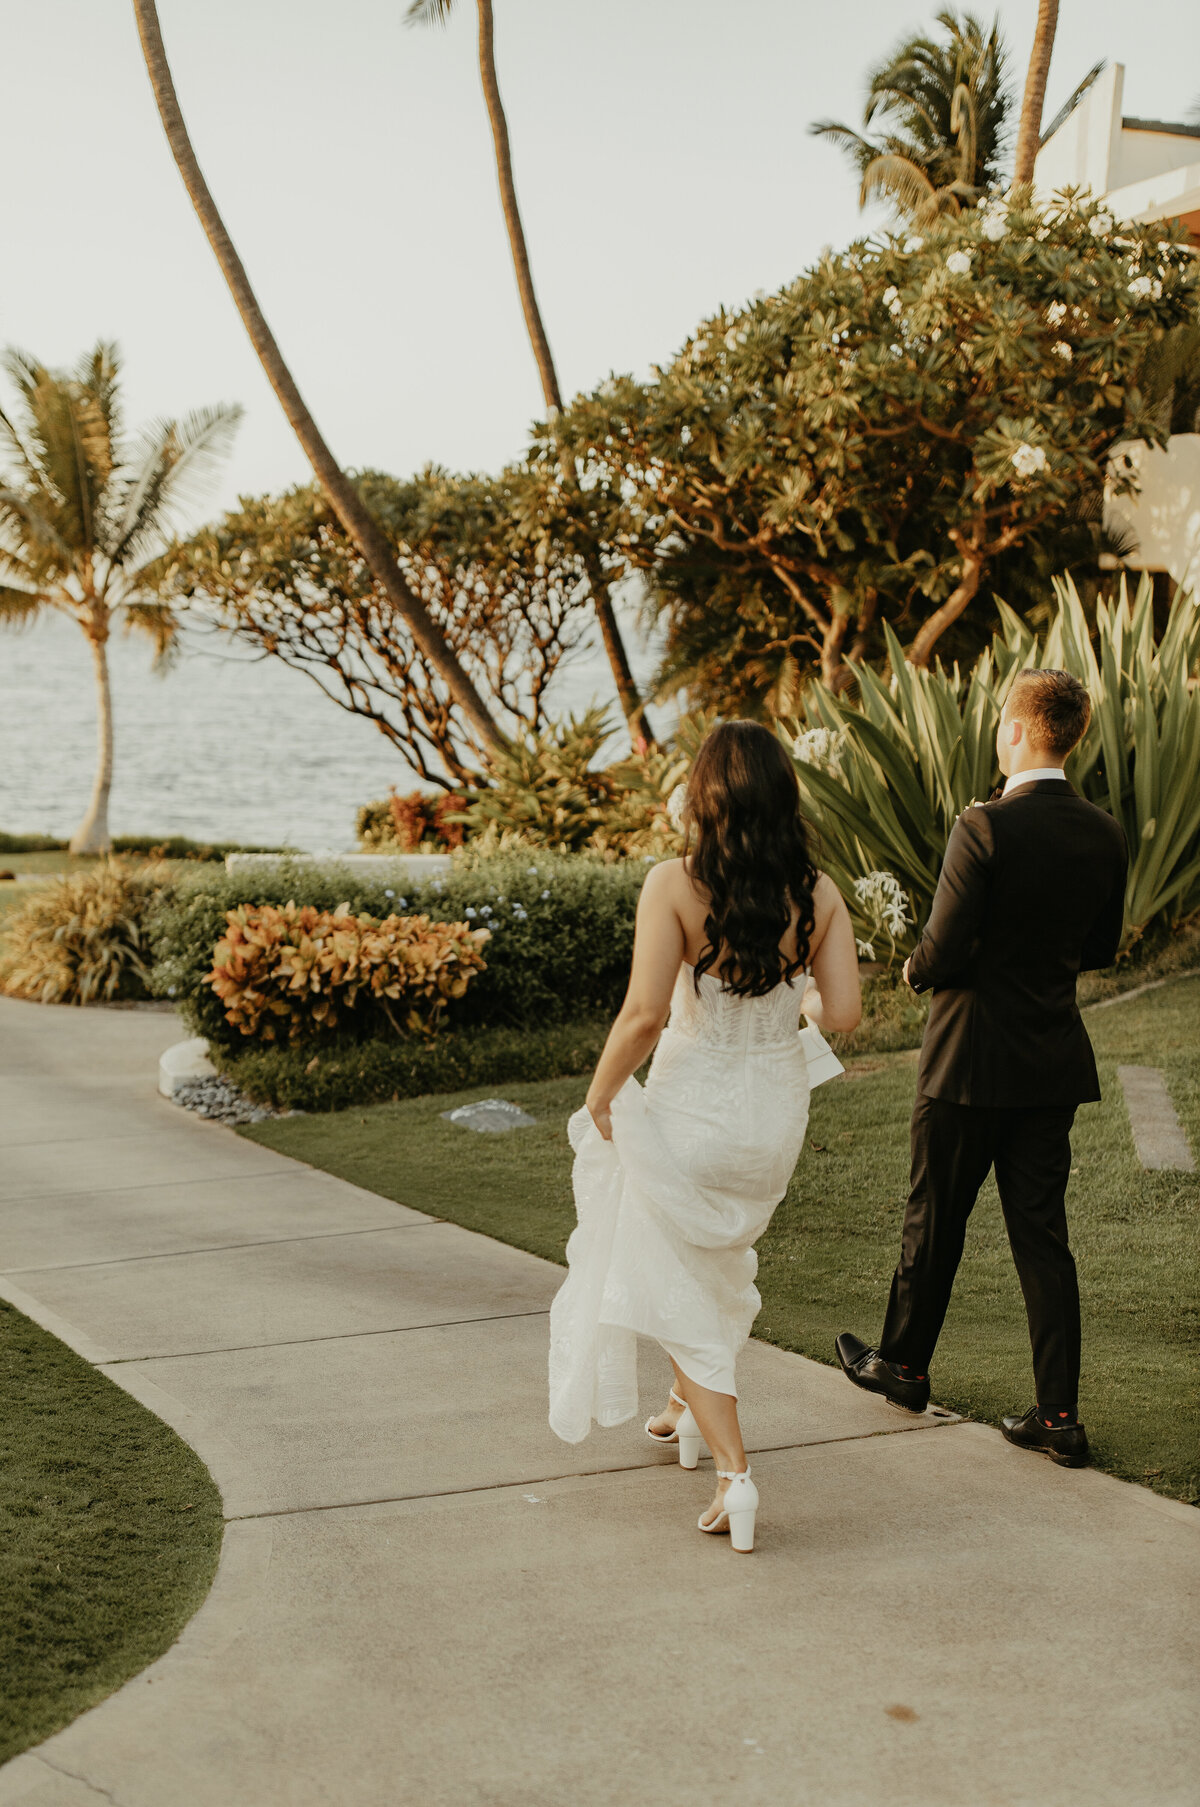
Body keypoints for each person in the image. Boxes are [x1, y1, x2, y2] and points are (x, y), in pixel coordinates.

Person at [548, 720, 862, 1552]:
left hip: (691, 1115)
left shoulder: (675, 885)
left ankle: (735, 1472)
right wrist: (786, 1001)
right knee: (710, 1268)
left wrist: (602, 1091)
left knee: (671, 1285)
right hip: (772, 1122)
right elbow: (846, 1014)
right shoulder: (819, 894)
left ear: (704, 796)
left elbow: (645, 1014)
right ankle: (683, 1409)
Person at [836, 669, 1128, 1467]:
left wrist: (909, 971)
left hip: (966, 1060)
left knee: (935, 1216)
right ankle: (1059, 1412)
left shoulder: (982, 826)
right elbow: (1098, 950)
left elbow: (942, 948)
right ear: (1070, 736)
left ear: (1016, 731)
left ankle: (902, 1364)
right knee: (1043, 1237)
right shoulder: (1105, 832)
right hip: (1050, 1062)